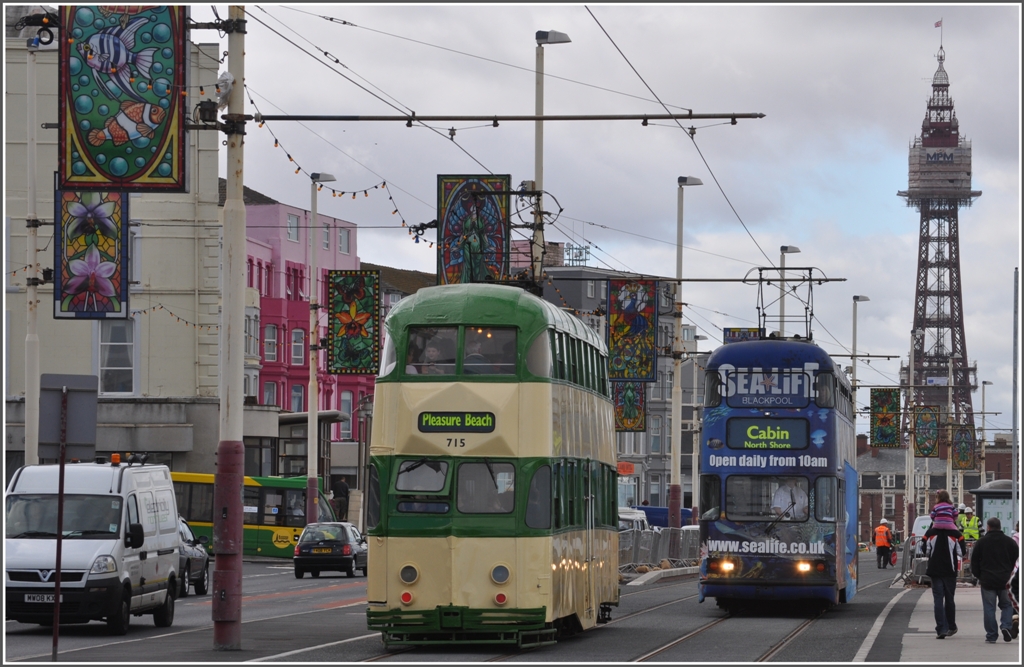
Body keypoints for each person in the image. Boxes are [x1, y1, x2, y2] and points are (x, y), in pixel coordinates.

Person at [971, 516, 1018, 643]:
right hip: (1005, 580)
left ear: (988, 527)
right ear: (1000, 527)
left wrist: (979, 575)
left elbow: (974, 561)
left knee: (989, 608)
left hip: (987, 580)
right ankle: (1006, 626)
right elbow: (1015, 558)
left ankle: (991, 634)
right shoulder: (1009, 542)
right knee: (1007, 605)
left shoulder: (981, 542)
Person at [922, 514, 964, 639]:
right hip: (949, 571)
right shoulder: (956, 534)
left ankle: (941, 628)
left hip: (935, 570)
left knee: (938, 599)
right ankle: (951, 626)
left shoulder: (930, 533)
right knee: (949, 599)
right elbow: (961, 552)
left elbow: (925, 550)